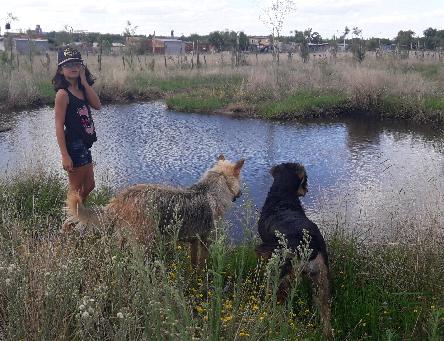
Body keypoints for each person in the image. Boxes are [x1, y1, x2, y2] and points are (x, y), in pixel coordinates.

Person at [53, 47, 101, 209]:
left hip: (84, 144)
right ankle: (68, 224)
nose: (73, 67)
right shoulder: (63, 94)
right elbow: (58, 125)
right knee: (75, 190)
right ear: (60, 70)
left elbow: (97, 105)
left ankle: (78, 216)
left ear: (82, 67)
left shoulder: (81, 90)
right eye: (68, 65)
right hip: (73, 145)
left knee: (89, 186)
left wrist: (85, 82)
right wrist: (65, 155)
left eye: (76, 64)